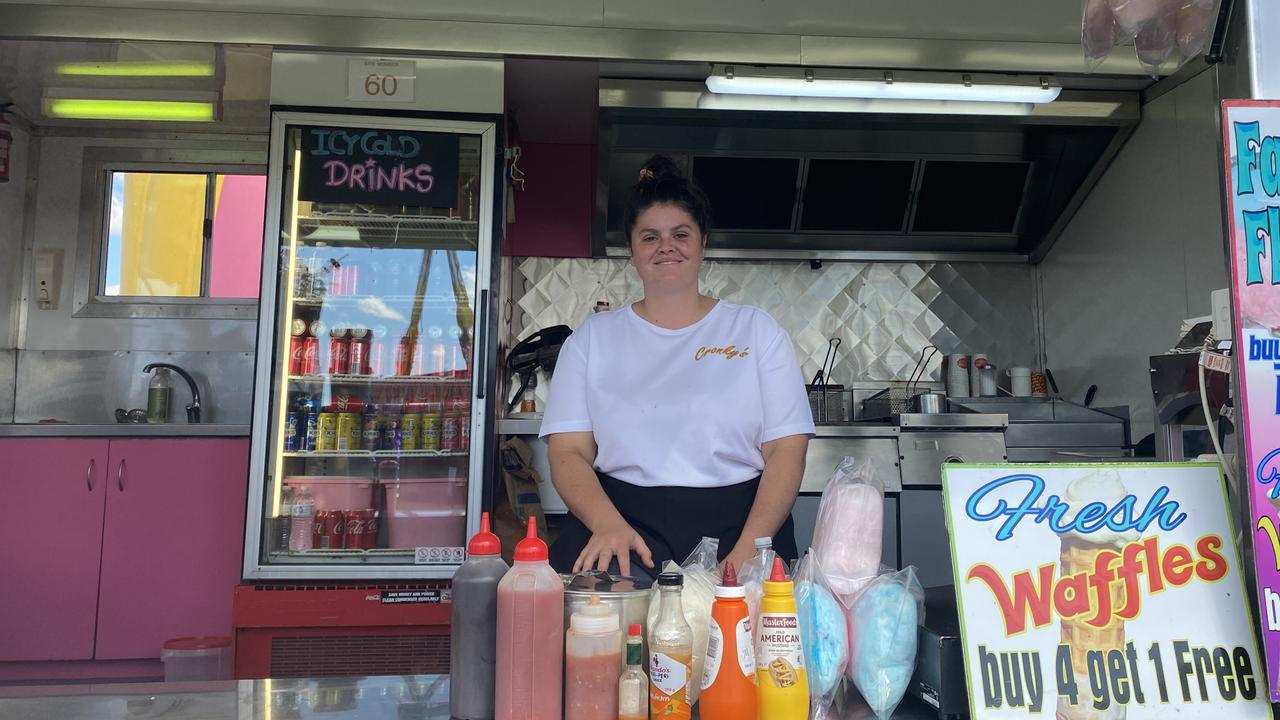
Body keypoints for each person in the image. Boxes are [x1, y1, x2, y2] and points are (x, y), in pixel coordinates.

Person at [538, 154, 815, 578]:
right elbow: (568, 452)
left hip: (740, 522)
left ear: (703, 243)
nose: (666, 246)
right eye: (649, 237)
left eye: (680, 234)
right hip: (621, 524)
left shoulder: (757, 332)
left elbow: (786, 451)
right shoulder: (592, 339)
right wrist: (607, 524)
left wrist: (749, 549)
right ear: (631, 251)